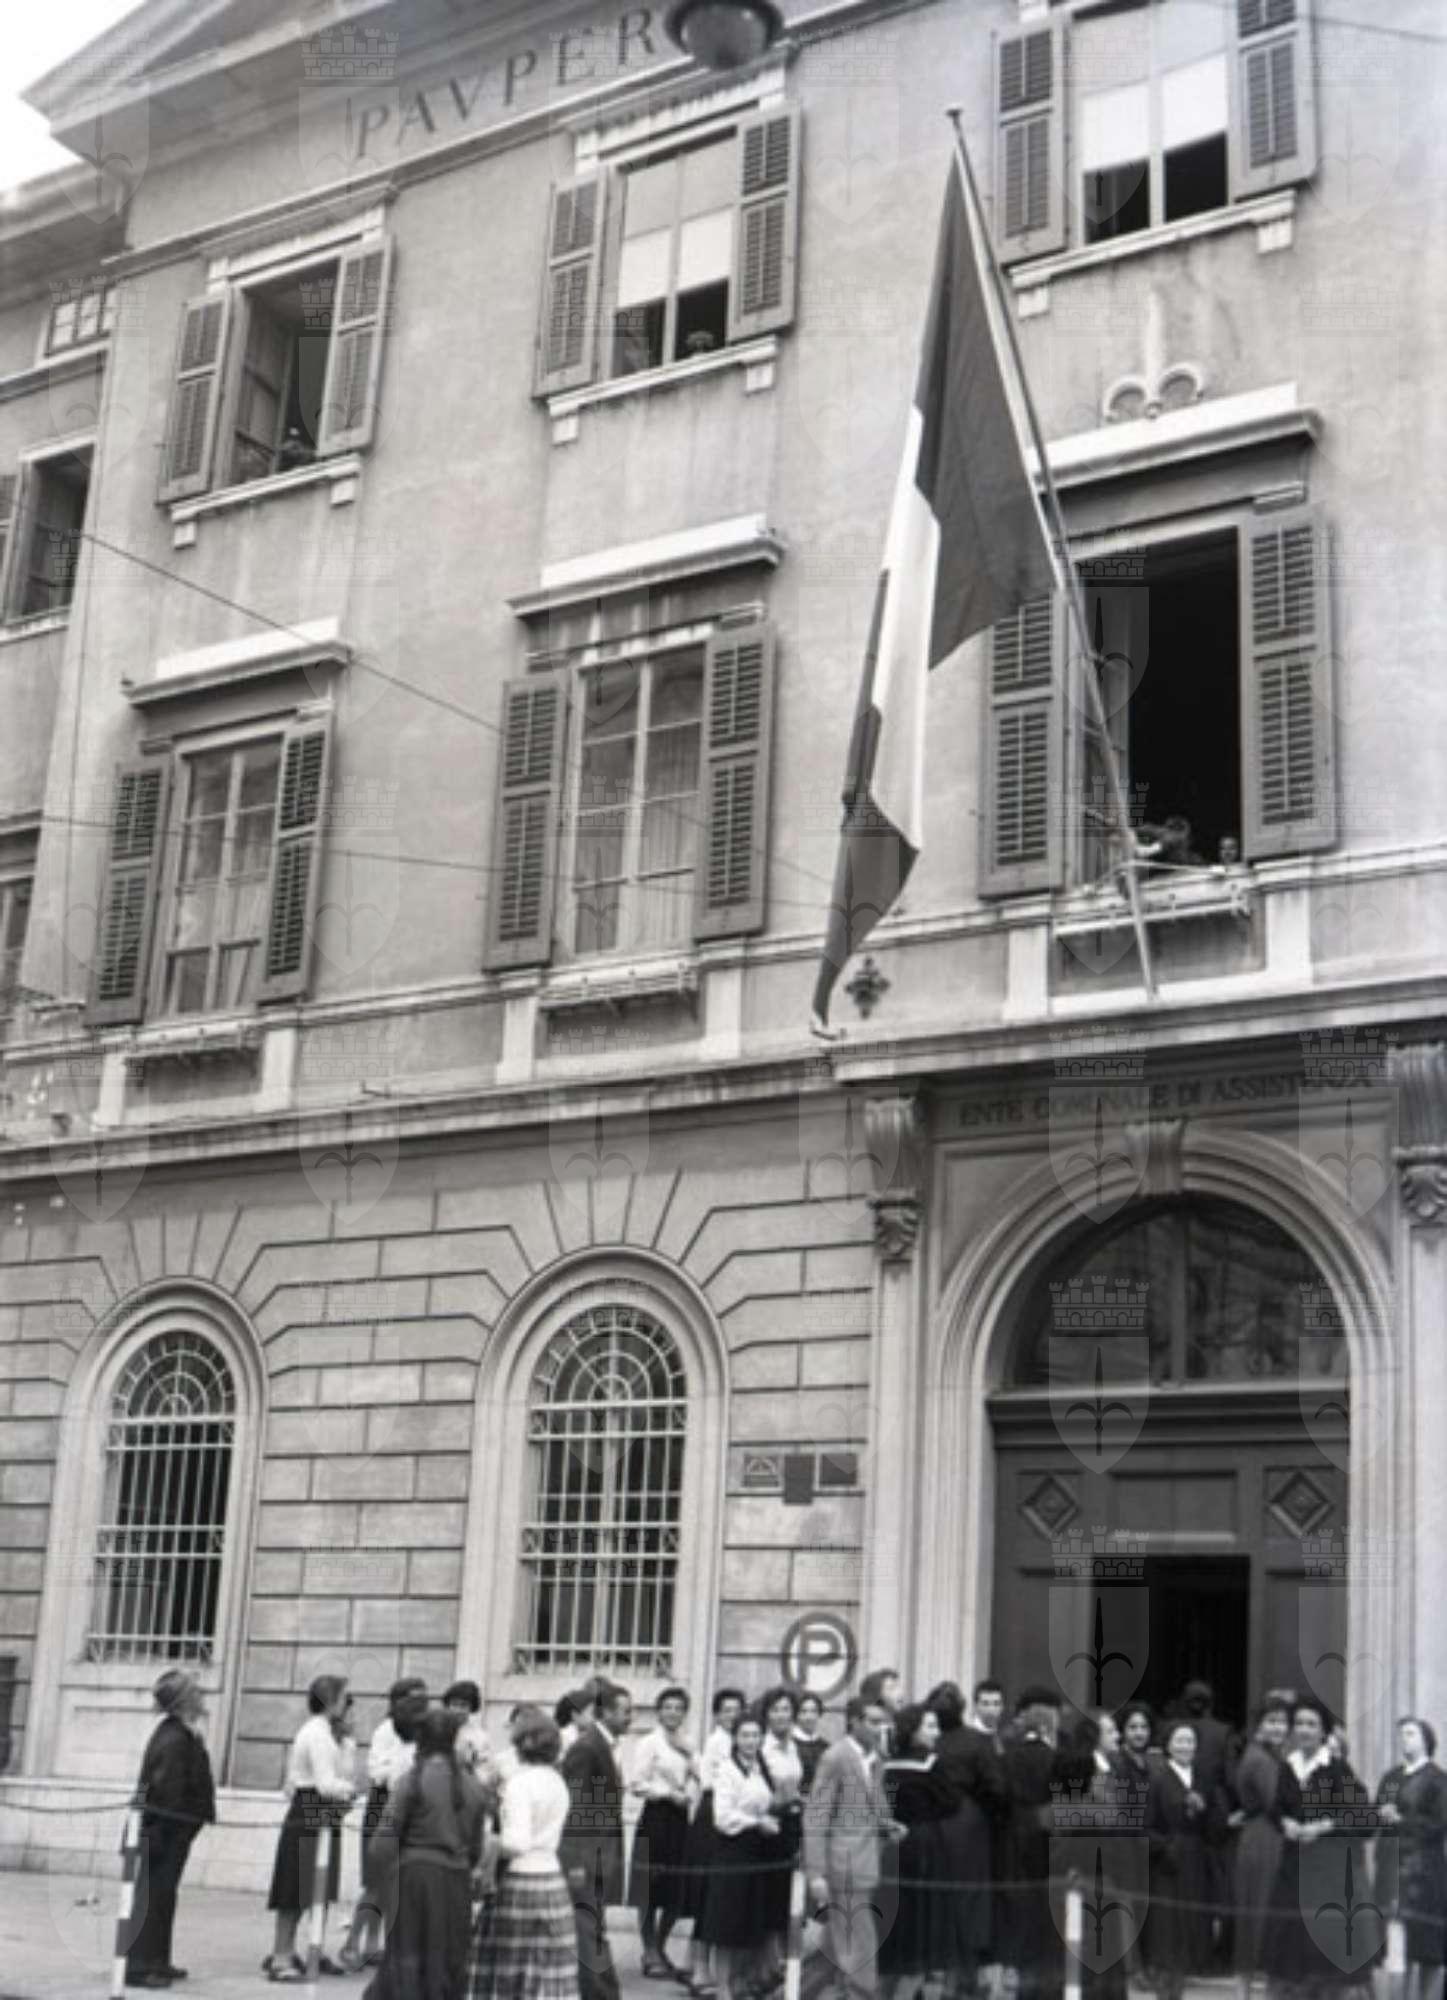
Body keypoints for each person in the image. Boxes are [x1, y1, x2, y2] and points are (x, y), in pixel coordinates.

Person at [364, 1706, 488, 2000]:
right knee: (448, 1959)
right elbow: (476, 1849)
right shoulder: (474, 1787)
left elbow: (382, 1843)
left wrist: (389, 1876)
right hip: (456, 1883)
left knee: (407, 1958)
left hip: (413, 1881)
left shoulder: (412, 1781)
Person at [1264, 1698, 1380, 1999]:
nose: (1304, 1730)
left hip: (1328, 1880)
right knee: (1291, 1962)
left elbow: (1367, 1820)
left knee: (1324, 1968)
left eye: (1311, 1724)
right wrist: (1285, 1823)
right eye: (1299, 1724)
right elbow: (1276, 1809)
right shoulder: (1288, 1767)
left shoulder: (1337, 1770)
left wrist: (1324, 1826)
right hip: (1293, 1874)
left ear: (1324, 1731)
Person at [468, 1709, 578, 2000]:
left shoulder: (519, 1784)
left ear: (519, 1745)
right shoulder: (557, 1782)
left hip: (520, 1882)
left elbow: (517, 1843)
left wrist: (488, 1843)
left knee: (511, 1971)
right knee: (546, 1971)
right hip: (552, 1880)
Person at [804, 1694, 905, 2000]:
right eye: (873, 1722)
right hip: (843, 1863)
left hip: (866, 1861)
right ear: (854, 1722)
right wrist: (815, 1873)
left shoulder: (875, 1760)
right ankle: (862, 1995)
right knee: (859, 1941)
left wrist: (888, 1826)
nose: (879, 1728)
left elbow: (869, 1807)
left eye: (883, 1722)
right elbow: (817, 1815)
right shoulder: (835, 1757)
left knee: (837, 1943)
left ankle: (794, 1992)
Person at [122, 1667, 216, 1990]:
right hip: (162, 1830)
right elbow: (168, 1790)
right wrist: (181, 1823)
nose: (202, 1697)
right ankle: (139, 1966)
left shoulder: (180, 1732)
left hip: (169, 1829)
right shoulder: (174, 1738)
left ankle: (157, 1959)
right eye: (196, 1692)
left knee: (163, 1896)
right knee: (153, 1896)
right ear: (184, 1700)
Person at [265, 1675, 358, 1982]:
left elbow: (343, 1774)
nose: (348, 1703)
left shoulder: (330, 1734)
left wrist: (348, 1743)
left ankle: (313, 1948)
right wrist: (350, 1791)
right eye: (344, 1697)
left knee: (320, 1886)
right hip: (309, 1809)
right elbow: (326, 1783)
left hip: (323, 1811)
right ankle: (281, 1954)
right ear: (331, 1700)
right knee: (294, 1886)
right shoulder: (316, 1734)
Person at [341, 1677, 429, 1974]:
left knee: (396, 1883)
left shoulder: (421, 1733)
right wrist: (402, 1773)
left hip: (408, 1809)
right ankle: (352, 1943)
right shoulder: (385, 1731)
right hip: (383, 1807)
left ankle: (374, 1945)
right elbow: (377, 1772)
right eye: (412, 1699)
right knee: (376, 1882)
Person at [926, 1680, 1004, 1998]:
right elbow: (997, 1788)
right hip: (970, 1824)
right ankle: (967, 1976)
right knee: (971, 1901)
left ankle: (944, 1977)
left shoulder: (931, 1742)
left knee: (943, 1900)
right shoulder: (977, 1742)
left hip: (935, 1824)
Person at [560, 1680, 632, 2000]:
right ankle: (598, 1993)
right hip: (587, 1857)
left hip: (601, 1855)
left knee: (594, 1926)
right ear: (607, 1713)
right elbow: (575, 1808)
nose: (630, 1718)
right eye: (626, 1712)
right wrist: (575, 1862)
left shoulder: (603, 1745)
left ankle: (602, 1991)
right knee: (588, 1929)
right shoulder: (587, 1748)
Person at [881, 1701, 958, 1997]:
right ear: (914, 1730)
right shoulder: (932, 1764)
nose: (936, 1732)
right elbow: (952, 1802)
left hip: (896, 1841)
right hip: (927, 1842)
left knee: (902, 1910)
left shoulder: (888, 1765)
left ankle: (901, 1971)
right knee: (927, 1911)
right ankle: (918, 1977)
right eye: (930, 1726)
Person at [1145, 1721, 1223, 2000]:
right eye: (1179, 1741)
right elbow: (1145, 1827)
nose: (1185, 1747)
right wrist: (1166, 1847)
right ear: (1168, 1745)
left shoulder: (1202, 1779)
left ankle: (1179, 1989)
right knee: (1167, 1932)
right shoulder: (1158, 1780)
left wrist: (1205, 1810)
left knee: (1191, 1929)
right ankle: (1165, 1990)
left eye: (1190, 1741)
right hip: (1168, 1863)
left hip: (1196, 1860)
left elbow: (1217, 1824)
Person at [711, 1712, 784, 2000]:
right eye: (745, 1735)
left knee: (748, 1920)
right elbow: (722, 1817)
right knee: (727, 1921)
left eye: (755, 1735)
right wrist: (756, 1822)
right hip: (733, 1850)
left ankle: (739, 1980)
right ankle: (723, 1987)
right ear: (735, 1738)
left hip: (757, 1851)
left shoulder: (760, 1769)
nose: (750, 1741)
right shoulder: (727, 1770)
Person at [628, 1685, 697, 1979]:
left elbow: (699, 1776)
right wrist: (668, 1793)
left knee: (675, 1888)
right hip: (656, 1817)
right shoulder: (649, 1743)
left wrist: (688, 1786)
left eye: (678, 1708)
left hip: (680, 1820)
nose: (673, 1713)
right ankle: (648, 1950)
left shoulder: (688, 1743)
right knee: (649, 1888)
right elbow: (636, 1783)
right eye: (667, 1707)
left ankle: (660, 1945)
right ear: (658, 1712)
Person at [1376, 1717, 1447, 2000]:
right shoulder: (1391, 1777)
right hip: (1392, 1869)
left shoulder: (1438, 1779)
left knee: (1428, 1947)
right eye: (1401, 1734)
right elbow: (1377, 1811)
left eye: (1410, 1733)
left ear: (1426, 1739)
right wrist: (1381, 1815)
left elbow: (1439, 1824)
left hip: (1425, 1872)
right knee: (1397, 1945)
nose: (1404, 1739)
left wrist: (1402, 1820)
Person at [682, 1687, 747, 1996]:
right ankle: (699, 1967)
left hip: (727, 1815)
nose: (732, 1715)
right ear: (717, 1715)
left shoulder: (741, 1742)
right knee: (707, 1895)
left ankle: (697, 1963)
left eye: (737, 1710)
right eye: (726, 1710)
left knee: (714, 1898)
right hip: (712, 1818)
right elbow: (711, 1783)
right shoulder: (717, 1742)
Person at [1000, 1686, 1063, 2000]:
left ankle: (1018, 1976)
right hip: (1046, 1840)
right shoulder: (1055, 1759)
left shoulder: (1007, 1757)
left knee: (1018, 1912)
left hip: (1014, 1838)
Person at [1233, 1699, 1291, 1998]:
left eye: (1282, 1722)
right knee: (1261, 1912)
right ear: (1258, 1726)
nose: (1279, 1727)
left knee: (1255, 1913)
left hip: (1261, 1836)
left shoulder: (1266, 1756)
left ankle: (1249, 1989)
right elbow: (1275, 1803)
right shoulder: (1261, 1760)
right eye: (1272, 1721)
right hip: (1265, 1840)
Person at [444, 1682, 496, 1787]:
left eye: (463, 1706)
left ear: (471, 1708)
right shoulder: (438, 1730)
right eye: (454, 1705)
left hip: (467, 1785)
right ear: (448, 1706)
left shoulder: (479, 1737)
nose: (458, 1710)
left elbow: (485, 1770)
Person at [861, 1672, 903, 1758]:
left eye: (899, 1687)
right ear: (875, 1693)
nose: (900, 1693)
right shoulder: (870, 1721)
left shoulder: (897, 1721)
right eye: (891, 1688)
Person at [795, 1694, 830, 1797]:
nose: (809, 1717)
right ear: (796, 1715)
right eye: (803, 1711)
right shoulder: (790, 1745)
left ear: (819, 1714)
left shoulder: (826, 1747)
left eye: (813, 1711)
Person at [970, 1682, 1007, 1749]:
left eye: (996, 1704)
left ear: (1002, 1707)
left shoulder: (1004, 1740)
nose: (991, 1709)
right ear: (975, 1706)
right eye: (985, 1704)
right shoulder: (968, 1739)